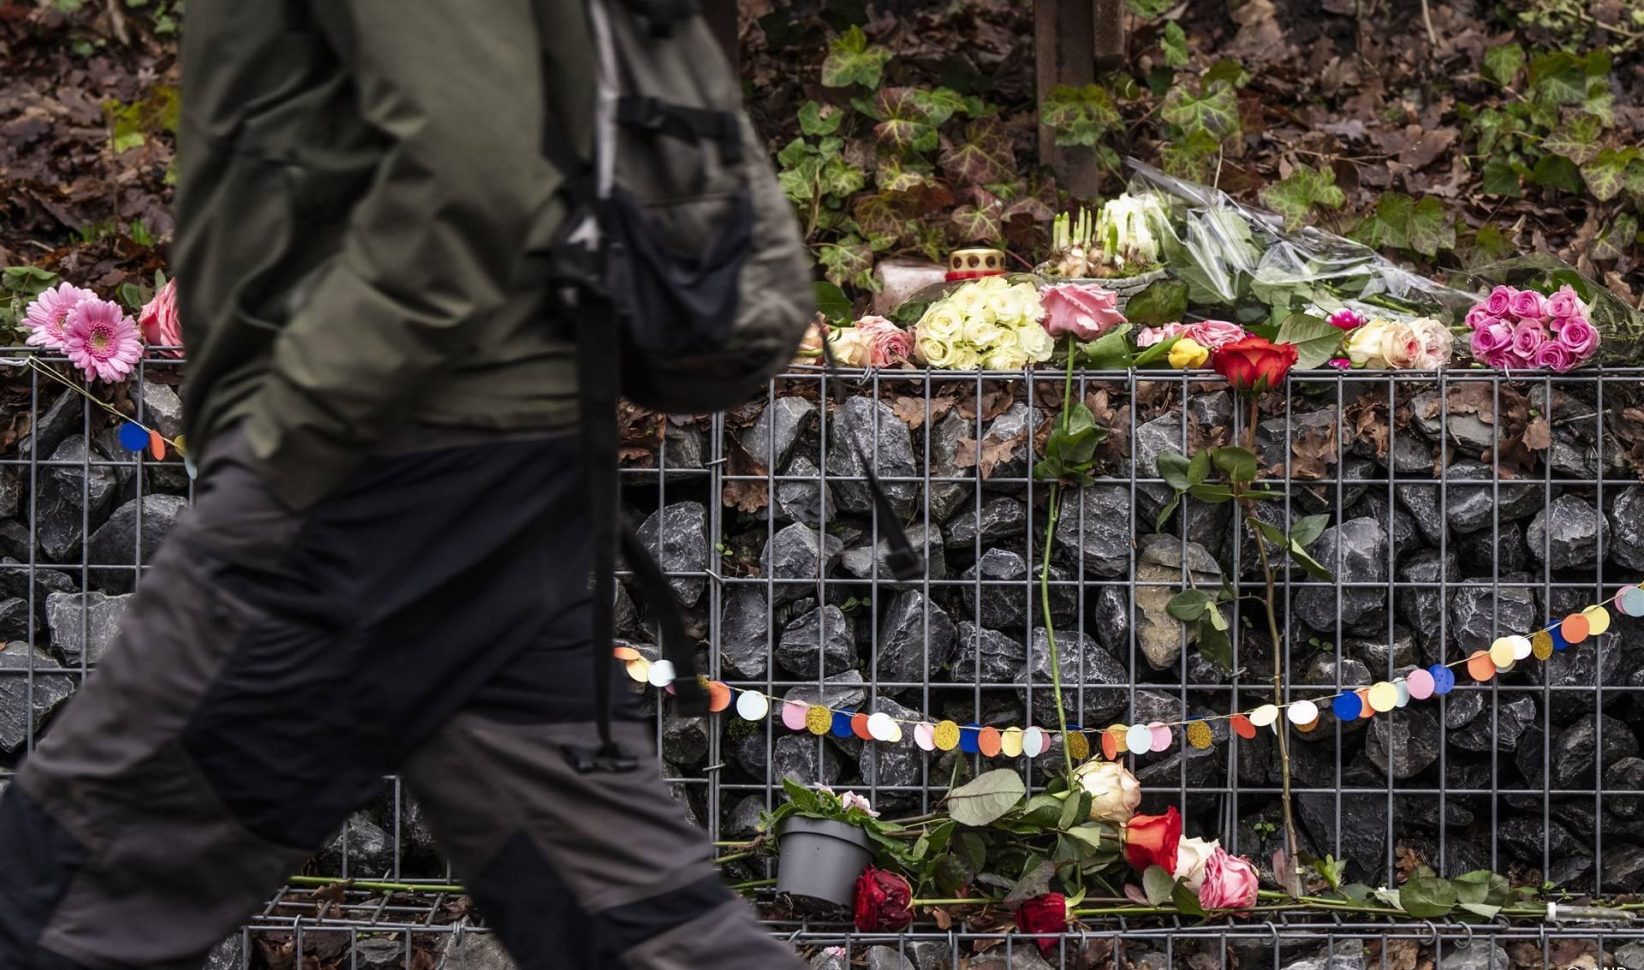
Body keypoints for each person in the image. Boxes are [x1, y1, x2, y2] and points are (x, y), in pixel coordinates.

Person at [0, 2, 805, 968]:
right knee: (638, 926)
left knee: (65, 890)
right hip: (492, 458)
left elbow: (471, 170)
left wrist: (299, 428)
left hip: (373, 465)